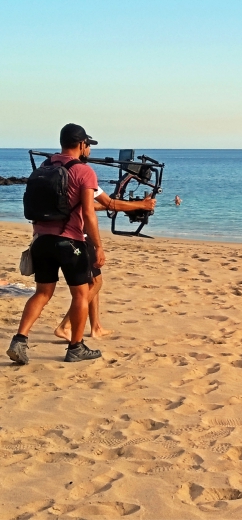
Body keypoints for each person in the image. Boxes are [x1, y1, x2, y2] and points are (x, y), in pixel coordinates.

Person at [7, 124, 105, 364]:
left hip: (41, 241)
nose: (88, 149)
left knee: (42, 293)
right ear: (81, 144)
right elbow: (89, 212)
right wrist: (98, 245)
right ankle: (75, 347)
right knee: (81, 294)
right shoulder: (84, 171)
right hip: (70, 242)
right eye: (88, 145)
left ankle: (19, 340)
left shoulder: (45, 166)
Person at [54, 188, 155, 341]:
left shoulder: (61, 173)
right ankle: (65, 325)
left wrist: (129, 204)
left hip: (60, 233)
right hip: (79, 236)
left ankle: (96, 327)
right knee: (96, 283)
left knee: (92, 280)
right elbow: (107, 203)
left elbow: (89, 205)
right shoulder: (83, 174)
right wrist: (140, 205)